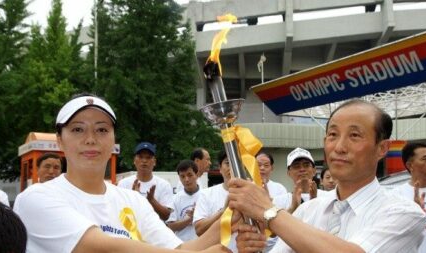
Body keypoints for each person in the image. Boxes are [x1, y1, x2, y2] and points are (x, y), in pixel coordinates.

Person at [13, 93, 259, 253]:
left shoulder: (131, 200)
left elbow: (182, 250)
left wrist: (230, 219)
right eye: (77, 130)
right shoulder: (36, 199)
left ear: (113, 140)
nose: (90, 140)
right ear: (60, 141)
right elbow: (105, 249)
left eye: (101, 130)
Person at [228, 99, 426, 253]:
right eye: (333, 135)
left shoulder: (404, 213)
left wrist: (268, 212)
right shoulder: (307, 212)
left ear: (382, 148)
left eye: (354, 135)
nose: (339, 147)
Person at [392, 142, 426, 253]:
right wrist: (415, 211)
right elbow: (391, 233)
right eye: (425, 159)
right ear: (410, 165)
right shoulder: (395, 195)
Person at [193, 150, 238, 252]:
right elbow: (199, 230)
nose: (232, 167)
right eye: (227, 163)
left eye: (236, 163)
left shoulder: (251, 194)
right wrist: (222, 212)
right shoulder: (206, 194)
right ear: (220, 168)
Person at [118, 142, 174, 221]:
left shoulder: (164, 185)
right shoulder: (123, 184)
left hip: (154, 231)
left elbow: (166, 216)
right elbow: (118, 212)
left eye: (148, 157)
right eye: (140, 157)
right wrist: (134, 198)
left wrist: (152, 201)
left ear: (154, 161)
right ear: (134, 160)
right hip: (130, 231)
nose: (144, 161)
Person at [273, 147, 325, 214]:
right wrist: (293, 207)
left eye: (306, 165)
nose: (302, 169)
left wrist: (314, 201)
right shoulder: (279, 201)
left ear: (314, 170)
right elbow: (276, 224)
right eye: (296, 166)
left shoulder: (327, 197)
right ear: (289, 173)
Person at [167, 160, 201, 241]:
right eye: (182, 176)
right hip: (182, 245)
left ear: (197, 175)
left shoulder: (206, 195)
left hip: (202, 245)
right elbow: (171, 226)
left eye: (190, 175)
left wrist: (196, 217)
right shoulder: (175, 199)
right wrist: (189, 219)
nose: (186, 179)